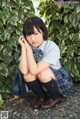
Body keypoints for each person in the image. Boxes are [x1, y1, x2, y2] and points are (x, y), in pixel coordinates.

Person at [18, 16, 73, 109]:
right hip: (41, 80)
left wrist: (29, 51)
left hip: (56, 80)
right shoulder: (29, 47)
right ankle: (42, 96)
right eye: (29, 35)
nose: (32, 38)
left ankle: (55, 97)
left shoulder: (51, 46)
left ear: (43, 32)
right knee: (27, 75)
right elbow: (23, 71)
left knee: (42, 72)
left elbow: (35, 70)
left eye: (36, 33)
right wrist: (24, 47)